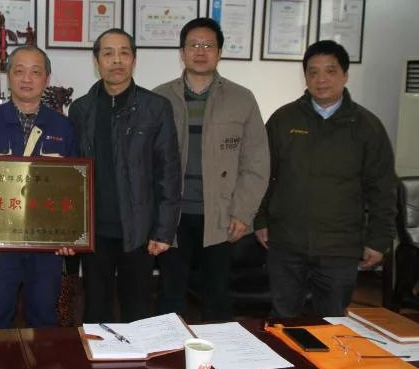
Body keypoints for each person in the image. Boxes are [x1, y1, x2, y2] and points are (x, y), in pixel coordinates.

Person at [255, 39, 396, 317]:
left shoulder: (367, 126)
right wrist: (260, 220)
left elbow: (382, 188)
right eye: (313, 72)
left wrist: (379, 240)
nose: (321, 80)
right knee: (283, 319)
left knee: (332, 323)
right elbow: (262, 174)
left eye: (330, 71)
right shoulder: (284, 119)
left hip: (339, 247)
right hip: (286, 243)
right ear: (305, 77)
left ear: (345, 75)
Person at [154, 17, 270, 321]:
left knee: (217, 297)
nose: (200, 51)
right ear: (182, 52)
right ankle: (171, 347)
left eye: (208, 45)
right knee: (170, 294)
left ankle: (217, 350)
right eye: (194, 45)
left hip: (221, 215)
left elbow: (256, 161)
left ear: (219, 52)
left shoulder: (241, 99)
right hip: (173, 215)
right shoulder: (159, 98)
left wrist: (243, 212)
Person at [69, 28, 181, 323]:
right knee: (96, 312)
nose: (116, 60)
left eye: (124, 53)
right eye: (108, 53)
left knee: (139, 313)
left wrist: (164, 230)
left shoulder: (155, 107)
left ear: (134, 60)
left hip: (140, 232)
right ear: (97, 61)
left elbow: (168, 171)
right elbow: (72, 174)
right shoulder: (81, 109)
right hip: (94, 232)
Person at [0, 45, 77, 329]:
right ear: (8, 75)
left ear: (46, 79)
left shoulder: (64, 127)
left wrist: (71, 235)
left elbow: (75, 188)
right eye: (19, 71)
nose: (27, 79)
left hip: (47, 244)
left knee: (44, 316)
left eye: (35, 72)